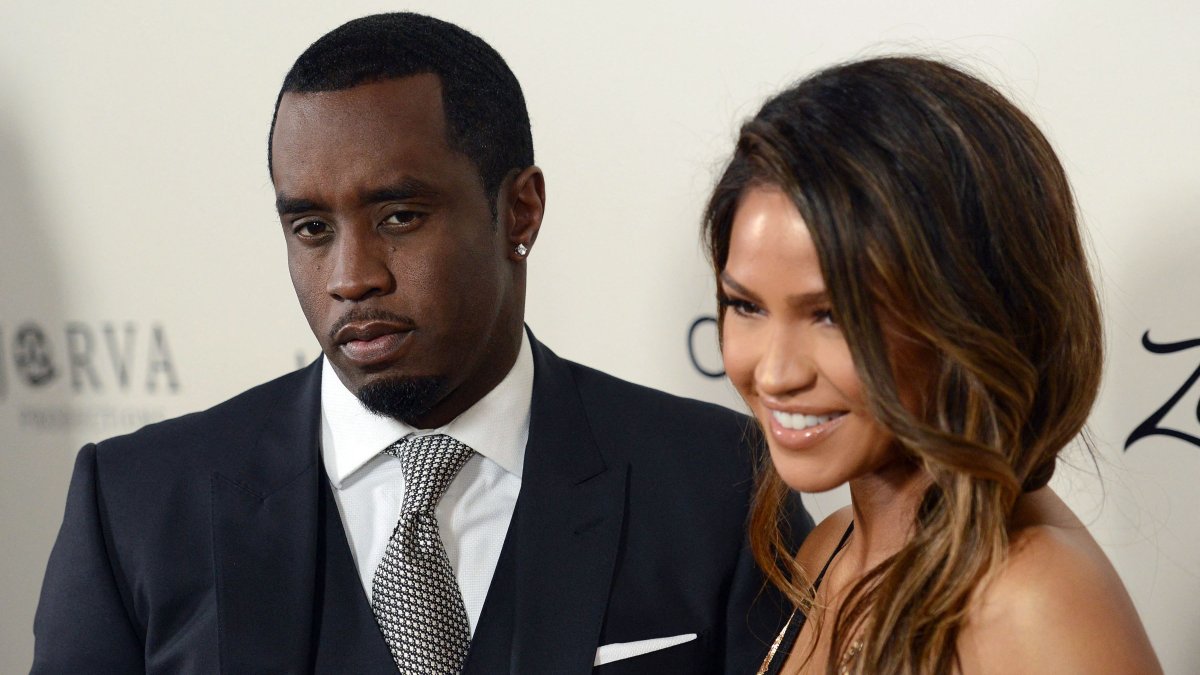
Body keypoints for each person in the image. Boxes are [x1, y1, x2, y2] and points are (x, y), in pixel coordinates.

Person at [32, 13, 810, 674]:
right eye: (311, 229)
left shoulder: (719, 487)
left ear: (521, 211)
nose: (351, 276)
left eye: (399, 216)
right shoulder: (134, 507)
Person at [703, 56, 1162, 674]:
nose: (776, 373)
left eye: (833, 316)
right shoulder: (827, 551)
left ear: (971, 313)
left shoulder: (1031, 603)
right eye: (746, 306)